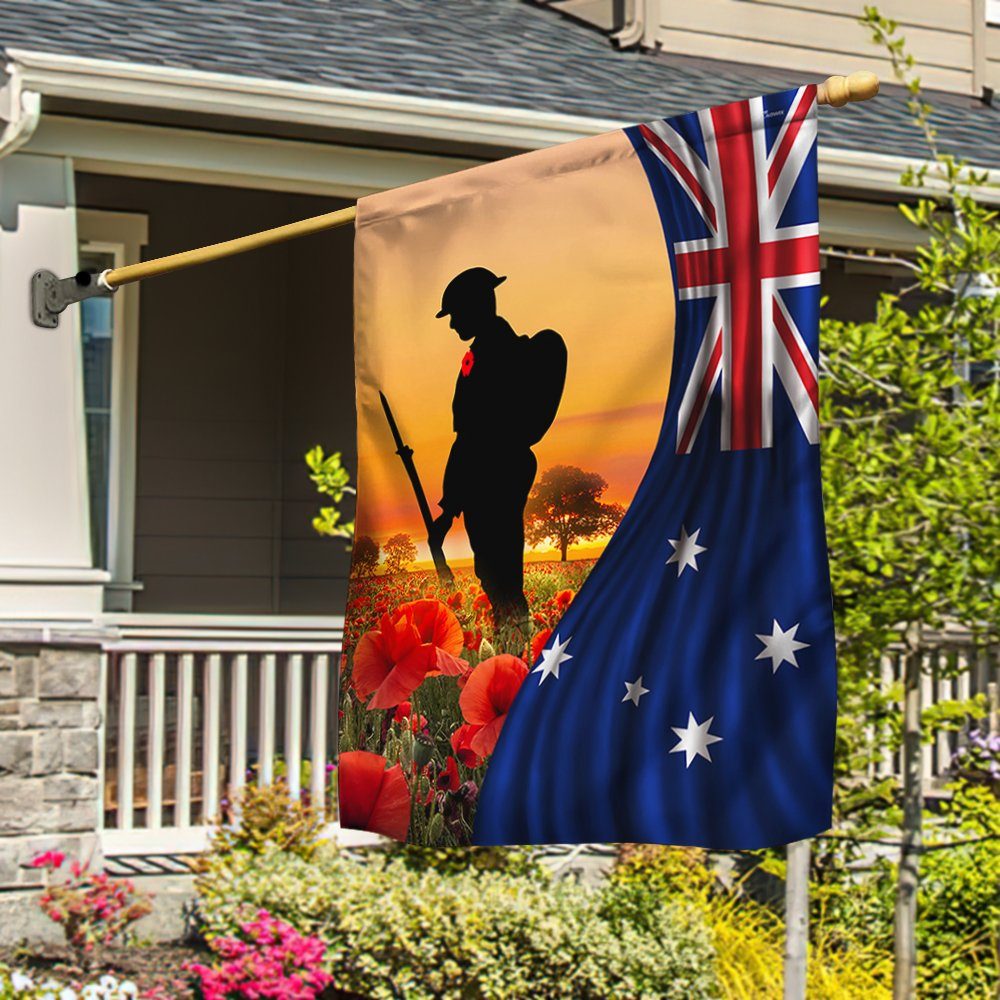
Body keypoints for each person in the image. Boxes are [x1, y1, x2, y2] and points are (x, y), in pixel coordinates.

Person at [428, 267, 566, 634]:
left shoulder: (498, 353)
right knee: (491, 562)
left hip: (495, 469)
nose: (453, 322)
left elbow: (472, 437)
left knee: (498, 560)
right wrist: (451, 504)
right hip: (484, 470)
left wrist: (451, 503)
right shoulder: (482, 352)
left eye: (456, 313)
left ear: (477, 306)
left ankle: (516, 631)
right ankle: (511, 629)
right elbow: (466, 438)